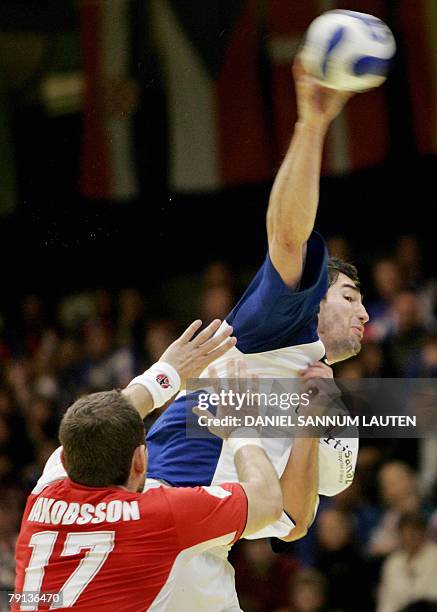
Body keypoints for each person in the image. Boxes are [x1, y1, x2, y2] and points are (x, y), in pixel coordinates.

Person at [145, 55, 369, 610]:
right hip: (160, 519)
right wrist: (312, 124)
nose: (364, 315)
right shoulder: (275, 330)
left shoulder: (313, 388)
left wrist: (312, 423)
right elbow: (288, 235)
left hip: (205, 549)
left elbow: (292, 521)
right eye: (349, 297)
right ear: (311, 301)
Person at [13, 320, 284, 611]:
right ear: (141, 462)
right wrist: (240, 426)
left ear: (66, 459)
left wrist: (166, 373)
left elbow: (107, 419)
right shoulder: (156, 514)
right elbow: (268, 501)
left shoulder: (47, 488)